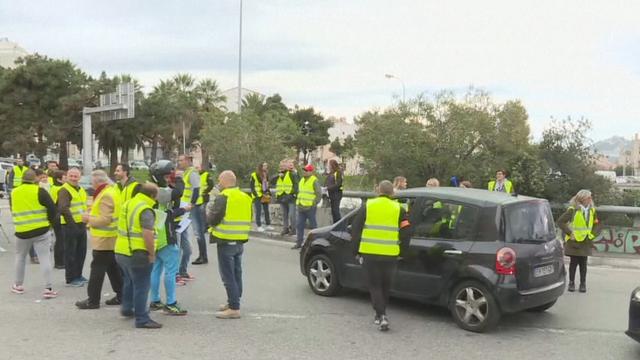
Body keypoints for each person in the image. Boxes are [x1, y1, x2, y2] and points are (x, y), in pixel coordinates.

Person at [351, 180, 411, 331]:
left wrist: (355, 250)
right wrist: (402, 251)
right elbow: (406, 231)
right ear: (393, 193)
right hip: (390, 254)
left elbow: (356, 229)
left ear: (378, 191)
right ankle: (380, 314)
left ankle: (381, 315)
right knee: (385, 285)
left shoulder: (368, 205)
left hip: (369, 252)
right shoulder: (399, 208)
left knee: (374, 285)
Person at [115, 183, 162, 329]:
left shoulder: (129, 203)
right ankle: (142, 318)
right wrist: (152, 253)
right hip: (137, 252)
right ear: (153, 195)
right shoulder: (145, 209)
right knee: (142, 286)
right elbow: (147, 233)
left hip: (121, 251)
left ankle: (127, 308)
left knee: (129, 281)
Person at [206, 170, 252, 319]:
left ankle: (234, 308)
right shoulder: (246, 197)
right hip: (240, 240)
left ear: (224, 181)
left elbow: (212, 218)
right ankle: (234, 300)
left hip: (226, 240)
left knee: (228, 276)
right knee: (237, 272)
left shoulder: (223, 197)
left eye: (219, 181)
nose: (218, 184)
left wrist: (209, 206)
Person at [75, 170, 122, 309]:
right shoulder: (112, 191)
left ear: (97, 182)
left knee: (97, 269)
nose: (91, 185)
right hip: (111, 237)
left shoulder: (105, 195)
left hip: (105, 238)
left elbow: (105, 219)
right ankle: (122, 294)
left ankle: (93, 300)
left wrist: (88, 219)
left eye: (92, 182)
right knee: (112, 268)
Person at [10, 170, 60, 299]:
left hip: (21, 230)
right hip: (41, 230)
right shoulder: (40, 191)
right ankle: (48, 288)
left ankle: (18, 285)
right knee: (44, 258)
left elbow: (12, 208)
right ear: (35, 179)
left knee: (20, 257)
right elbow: (53, 209)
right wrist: (49, 222)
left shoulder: (14, 192)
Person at [149, 160, 190, 315]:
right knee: (171, 271)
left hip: (155, 235)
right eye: (166, 176)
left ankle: (155, 300)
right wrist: (178, 177)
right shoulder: (159, 191)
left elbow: (173, 201)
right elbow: (177, 193)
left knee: (156, 269)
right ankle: (171, 303)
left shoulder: (150, 189)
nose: (168, 179)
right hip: (165, 235)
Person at [558, 189, 599, 293]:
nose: (590, 199)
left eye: (591, 197)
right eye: (588, 197)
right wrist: (569, 233)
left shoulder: (592, 210)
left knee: (583, 263)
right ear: (582, 199)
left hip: (586, 241)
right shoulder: (573, 210)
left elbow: (596, 224)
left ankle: (583, 284)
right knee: (574, 263)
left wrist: (592, 235)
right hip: (574, 241)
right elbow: (560, 222)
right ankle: (571, 283)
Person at [58, 167, 89, 287]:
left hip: (81, 224)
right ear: (67, 176)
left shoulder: (80, 189)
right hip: (70, 225)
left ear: (80, 177)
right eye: (71, 176)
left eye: (76, 176)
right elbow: (63, 208)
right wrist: (72, 225)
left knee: (81, 252)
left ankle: (78, 275)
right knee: (71, 253)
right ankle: (71, 278)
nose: (73, 178)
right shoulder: (64, 190)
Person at [176, 154, 200, 280]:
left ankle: (181, 271)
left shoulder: (192, 173)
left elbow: (196, 189)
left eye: (181, 160)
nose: (179, 162)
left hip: (186, 209)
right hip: (181, 210)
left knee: (185, 247)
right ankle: (179, 272)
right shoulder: (183, 173)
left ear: (187, 161)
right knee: (181, 245)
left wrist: (192, 203)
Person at [292, 164, 321, 250]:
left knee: (313, 226)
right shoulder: (301, 180)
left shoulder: (314, 180)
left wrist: (314, 203)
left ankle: (316, 244)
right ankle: (299, 243)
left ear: (311, 172)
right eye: (304, 170)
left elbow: (318, 193)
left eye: (306, 170)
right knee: (299, 225)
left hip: (310, 207)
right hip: (301, 206)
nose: (304, 171)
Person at [192, 164, 214, 265]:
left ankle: (203, 256)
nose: (196, 169)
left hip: (201, 200)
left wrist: (205, 192)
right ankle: (202, 256)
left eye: (198, 167)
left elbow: (211, 185)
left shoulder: (205, 174)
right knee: (198, 232)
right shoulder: (194, 176)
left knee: (199, 231)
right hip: (195, 202)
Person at [274, 159, 299, 236]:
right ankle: (285, 229)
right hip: (282, 197)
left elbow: (296, 185)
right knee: (284, 215)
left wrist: (292, 194)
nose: (282, 167)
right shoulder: (279, 174)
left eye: (284, 166)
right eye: (281, 166)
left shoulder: (292, 174)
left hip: (290, 198)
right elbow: (271, 181)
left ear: (287, 166)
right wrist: (278, 175)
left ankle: (293, 229)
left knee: (292, 215)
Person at [250, 162, 273, 232]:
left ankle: (268, 224)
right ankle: (259, 225)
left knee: (266, 210)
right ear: (261, 166)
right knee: (259, 211)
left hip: (264, 194)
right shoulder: (254, 175)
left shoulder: (266, 175)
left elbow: (267, 184)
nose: (266, 167)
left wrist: (269, 193)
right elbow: (252, 186)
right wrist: (255, 194)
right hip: (257, 195)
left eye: (266, 165)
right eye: (264, 165)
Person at [50, 170, 66, 269]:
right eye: (65, 177)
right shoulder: (60, 189)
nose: (67, 179)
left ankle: (59, 261)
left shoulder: (54, 188)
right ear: (59, 179)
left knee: (60, 239)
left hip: (55, 216)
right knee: (61, 239)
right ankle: (60, 262)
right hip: (58, 216)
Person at [325, 159, 343, 223]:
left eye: (329, 165)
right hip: (331, 195)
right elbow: (327, 182)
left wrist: (329, 188)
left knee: (336, 211)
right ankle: (335, 225)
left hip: (337, 195)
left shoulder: (338, 173)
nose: (328, 166)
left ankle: (339, 225)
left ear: (332, 165)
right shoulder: (330, 173)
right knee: (333, 211)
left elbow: (338, 184)